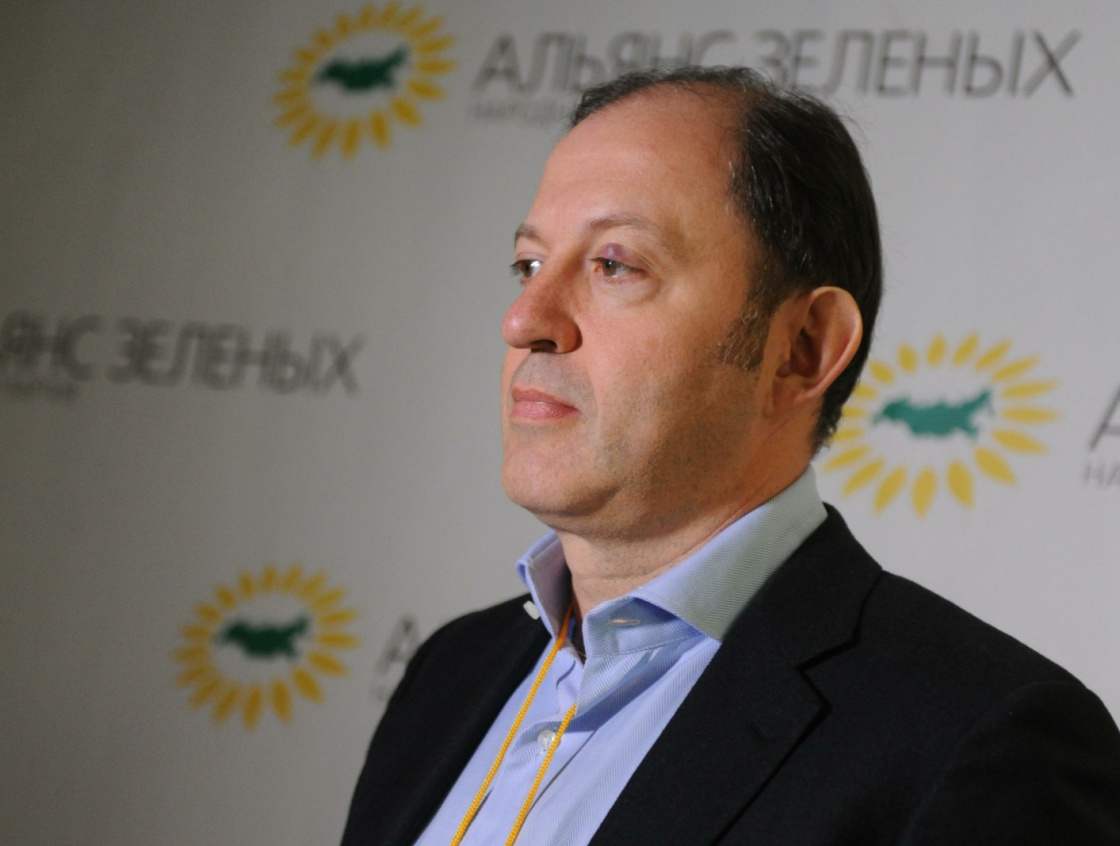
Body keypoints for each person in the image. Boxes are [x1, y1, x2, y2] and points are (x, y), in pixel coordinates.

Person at [341, 66, 1120, 845]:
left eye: (615, 264)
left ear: (802, 349)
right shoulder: (451, 672)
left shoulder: (985, 743)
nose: (523, 320)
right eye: (529, 265)